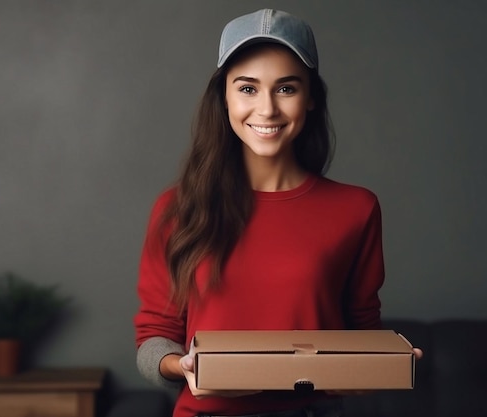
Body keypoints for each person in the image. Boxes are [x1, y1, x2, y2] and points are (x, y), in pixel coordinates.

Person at [134, 8, 422, 417]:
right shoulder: (178, 209)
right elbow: (154, 336)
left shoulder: (355, 208)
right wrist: (180, 366)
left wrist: (380, 364)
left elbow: (362, 329)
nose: (266, 109)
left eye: (286, 88)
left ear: (311, 98)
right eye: (247, 89)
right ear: (224, 97)